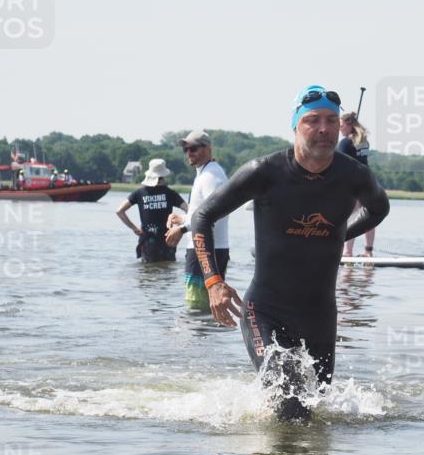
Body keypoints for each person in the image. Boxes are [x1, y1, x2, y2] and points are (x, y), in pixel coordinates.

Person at [191, 84, 390, 421]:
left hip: (320, 316)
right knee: (291, 404)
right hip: (265, 312)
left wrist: (338, 232)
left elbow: (379, 209)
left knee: (316, 410)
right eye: (313, 120)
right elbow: (202, 216)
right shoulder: (264, 173)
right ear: (296, 126)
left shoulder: (353, 176)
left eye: (330, 120)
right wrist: (213, 281)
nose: (324, 129)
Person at [165, 130, 231, 310]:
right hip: (202, 248)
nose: (189, 153)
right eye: (185, 149)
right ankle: (199, 338)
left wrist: (182, 229)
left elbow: (215, 213)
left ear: (207, 148)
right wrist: (183, 219)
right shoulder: (204, 174)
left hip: (208, 250)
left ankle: (200, 338)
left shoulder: (211, 176)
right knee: (199, 305)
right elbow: (202, 213)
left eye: (193, 148)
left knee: (198, 307)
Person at [116, 159, 187, 262]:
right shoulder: (170, 193)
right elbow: (189, 210)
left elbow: (119, 211)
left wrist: (134, 228)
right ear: (163, 177)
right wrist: (180, 227)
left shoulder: (139, 193)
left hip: (148, 241)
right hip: (168, 240)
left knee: (147, 273)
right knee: (167, 273)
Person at [339, 111, 377, 257]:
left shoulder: (345, 142)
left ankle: (347, 252)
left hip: (354, 184)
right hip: (368, 181)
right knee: (368, 216)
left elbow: (339, 164)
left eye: (341, 125)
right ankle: (368, 251)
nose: (339, 128)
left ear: (349, 125)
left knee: (352, 217)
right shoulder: (363, 141)